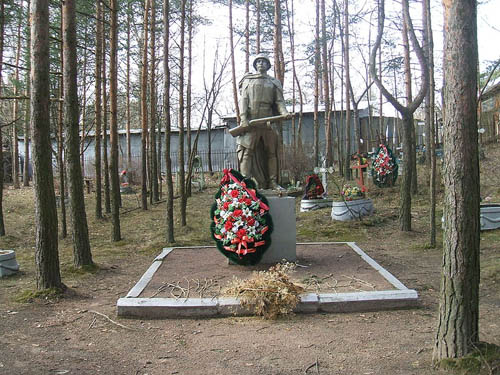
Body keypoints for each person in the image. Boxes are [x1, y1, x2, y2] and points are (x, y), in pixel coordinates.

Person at [235, 54, 291, 189]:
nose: (261, 63)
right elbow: (243, 101)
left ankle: (272, 181)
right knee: (246, 152)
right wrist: (243, 118)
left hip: (268, 122)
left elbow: (279, 101)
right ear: (255, 65)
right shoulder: (248, 80)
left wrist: (284, 113)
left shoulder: (273, 82)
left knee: (271, 152)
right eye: (258, 61)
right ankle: (244, 182)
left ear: (268, 65)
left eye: (264, 61)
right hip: (252, 122)